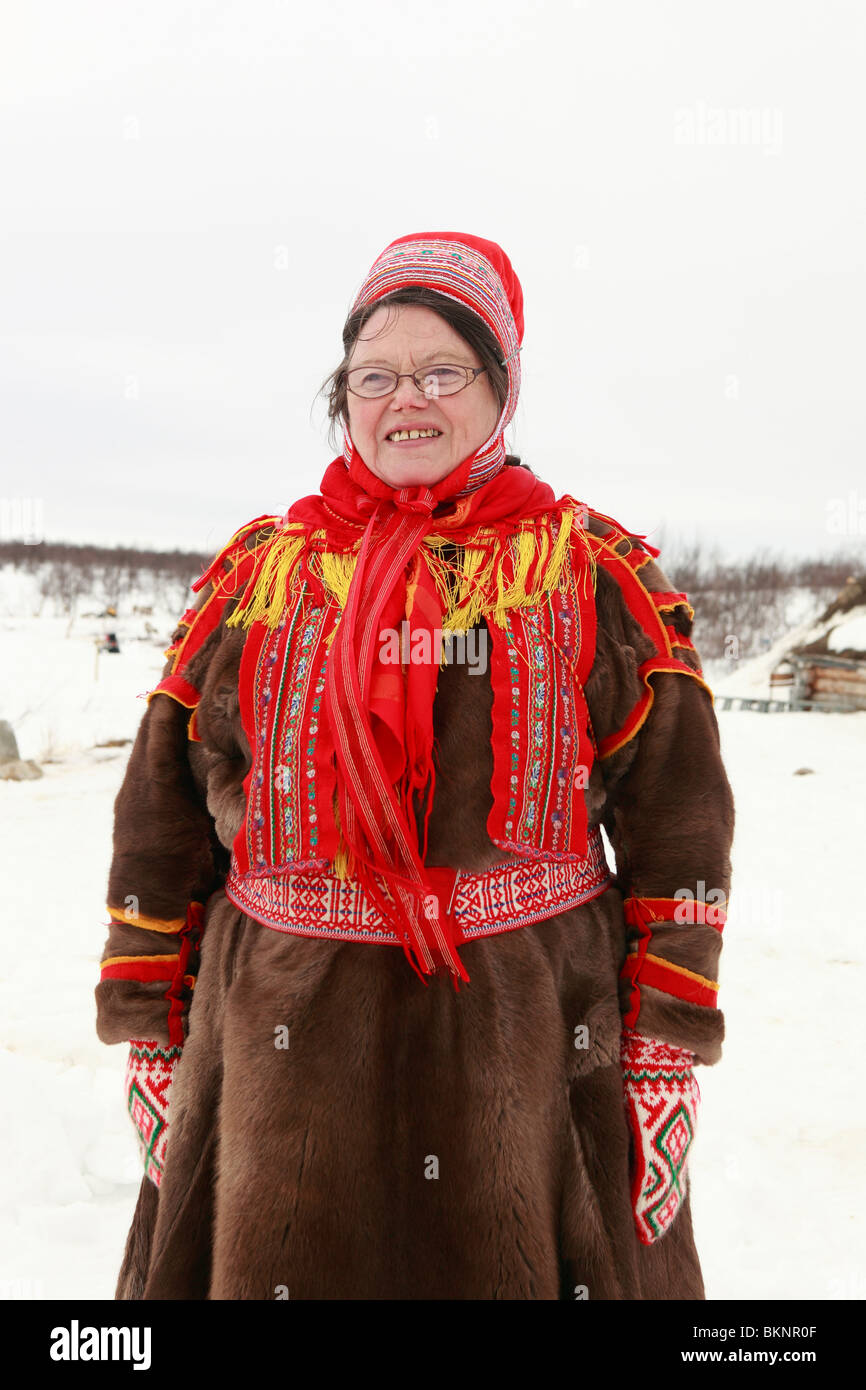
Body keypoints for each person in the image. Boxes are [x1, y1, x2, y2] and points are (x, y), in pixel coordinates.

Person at [95, 231, 735, 1300]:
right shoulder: (259, 577)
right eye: (373, 376)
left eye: (444, 371)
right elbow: (158, 815)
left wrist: (665, 1044)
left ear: (502, 389)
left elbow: (680, 820)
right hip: (274, 1062)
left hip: (527, 1050)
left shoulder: (588, 572)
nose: (407, 400)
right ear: (341, 395)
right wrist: (148, 1029)